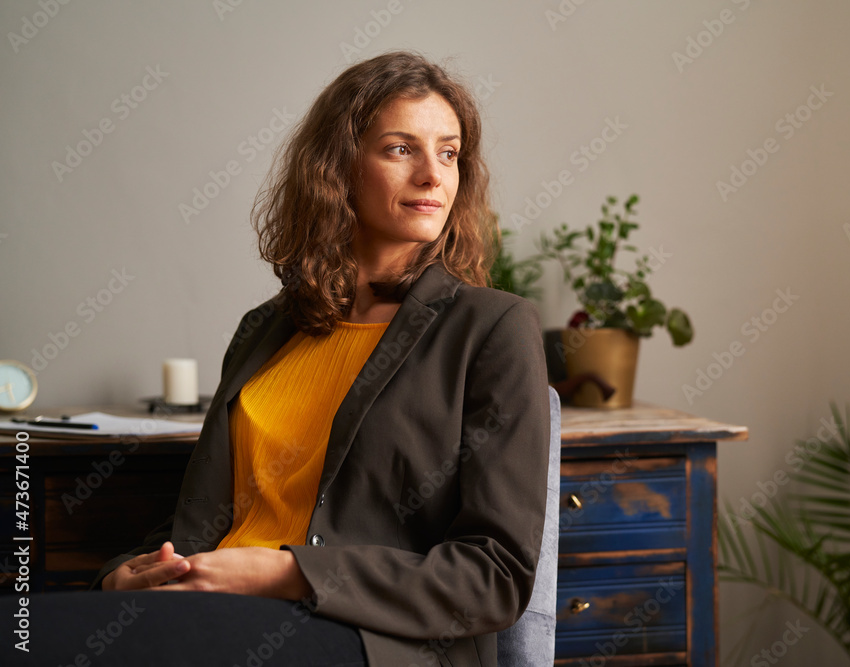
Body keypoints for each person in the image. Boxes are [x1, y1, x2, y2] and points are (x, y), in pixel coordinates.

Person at [6, 51, 550, 667]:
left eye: (449, 153)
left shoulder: (492, 327)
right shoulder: (265, 328)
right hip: (211, 603)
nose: (433, 176)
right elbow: (204, 521)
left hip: (373, 637)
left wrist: (284, 573)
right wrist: (123, 575)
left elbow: (495, 576)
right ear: (338, 167)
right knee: (19, 629)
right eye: (401, 149)